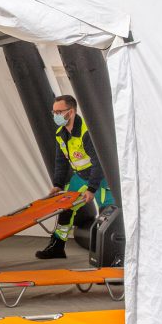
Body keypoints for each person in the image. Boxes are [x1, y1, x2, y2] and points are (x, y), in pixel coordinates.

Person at [36, 94, 115, 259]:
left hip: (100, 177)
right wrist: (57, 184)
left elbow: (99, 162)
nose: (55, 115)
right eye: (54, 112)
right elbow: (60, 161)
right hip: (79, 177)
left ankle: (109, 253)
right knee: (65, 209)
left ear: (71, 112)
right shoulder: (61, 133)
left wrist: (92, 188)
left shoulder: (87, 132)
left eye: (59, 112)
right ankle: (57, 246)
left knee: (107, 214)